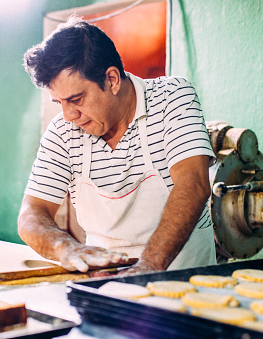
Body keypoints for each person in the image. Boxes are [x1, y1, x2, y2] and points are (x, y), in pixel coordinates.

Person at [18, 16, 216, 274]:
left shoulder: (172, 98)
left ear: (111, 79)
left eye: (76, 99)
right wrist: (64, 248)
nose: (68, 115)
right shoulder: (63, 132)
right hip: (105, 287)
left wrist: (149, 266)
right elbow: (32, 212)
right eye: (59, 103)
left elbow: (193, 183)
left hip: (187, 284)